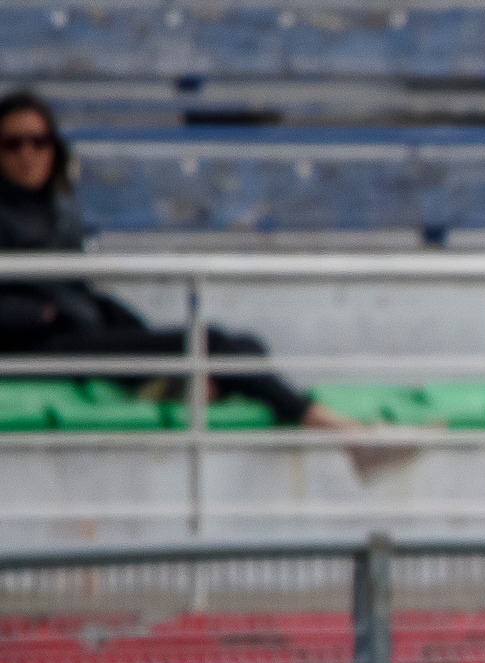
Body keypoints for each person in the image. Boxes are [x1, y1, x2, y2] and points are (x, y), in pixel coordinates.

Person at [0, 88, 407, 478]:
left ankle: (178, 387)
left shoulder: (58, 209)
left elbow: (74, 285)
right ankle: (345, 435)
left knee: (244, 348)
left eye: (39, 142)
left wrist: (104, 314)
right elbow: (44, 295)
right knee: (208, 345)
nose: (28, 155)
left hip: (85, 328)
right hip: (39, 346)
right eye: (13, 145)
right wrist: (40, 315)